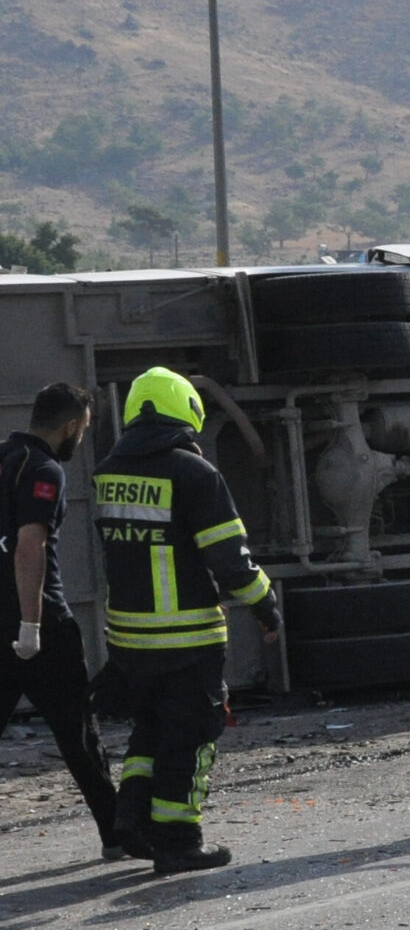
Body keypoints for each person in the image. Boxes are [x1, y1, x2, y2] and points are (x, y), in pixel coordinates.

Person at [90, 368, 279, 873]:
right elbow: (230, 559)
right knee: (192, 735)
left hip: (129, 639)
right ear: (187, 410)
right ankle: (178, 841)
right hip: (188, 636)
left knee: (148, 729)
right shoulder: (194, 473)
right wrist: (266, 605)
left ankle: (132, 819)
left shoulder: (108, 470)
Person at [4, 383, 119, 860]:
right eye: (84, 430)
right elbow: (30, 545)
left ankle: (117, 833)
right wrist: (31, 625)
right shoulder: (44, 471)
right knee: (80, 738)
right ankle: (117, 835)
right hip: (41, 628)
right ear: (71, 426)